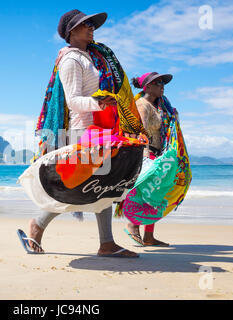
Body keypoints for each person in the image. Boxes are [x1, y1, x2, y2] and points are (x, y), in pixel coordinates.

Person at [22, 9, 138, 258]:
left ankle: (105, 243)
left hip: (98, 130)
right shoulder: (71, 60)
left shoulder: (91, 57)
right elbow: (73, 100)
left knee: (101, 186)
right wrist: (101, 103)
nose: (91, 28)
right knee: (81, 186)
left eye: (91, 24)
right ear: (71, 31)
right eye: (84, 25)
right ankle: (38, 225)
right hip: (82, 132)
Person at [124, 72, 174, 247]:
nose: (162, 86)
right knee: (143, 192)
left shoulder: (160, 107)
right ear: (147, 87)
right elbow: (141, 131)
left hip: (158, 153)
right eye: (158, 82)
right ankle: (133, 225)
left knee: (155, 195)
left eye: (163, 83)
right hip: (146, 153)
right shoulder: (142, 105)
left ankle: (149, 236)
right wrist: (144, 155)